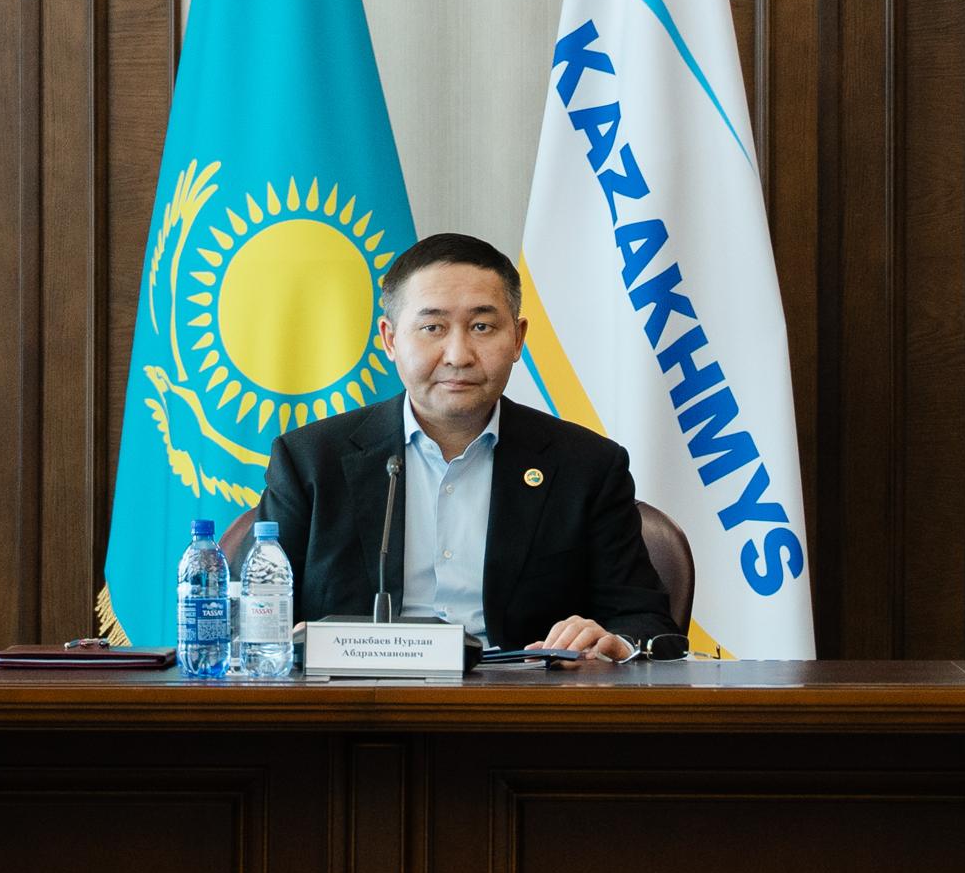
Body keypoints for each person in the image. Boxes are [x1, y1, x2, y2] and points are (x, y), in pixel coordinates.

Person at [259, 232, 678, 660]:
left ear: (517, 339)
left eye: (482, 327)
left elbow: (645, 622)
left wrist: (612, 642)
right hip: (356, 695)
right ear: (390, 339)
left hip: (522, 693)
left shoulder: (586, 466)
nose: (458, 355)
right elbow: (255, 614)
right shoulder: (310, 460)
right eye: (432, 328)